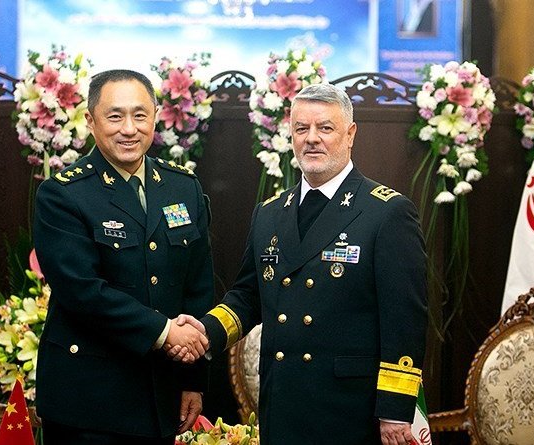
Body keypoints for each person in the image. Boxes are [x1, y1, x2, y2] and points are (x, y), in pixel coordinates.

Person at [170, 83, 428, 444]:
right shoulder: (270, 212)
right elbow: (247, 296)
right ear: (290, 134)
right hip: (283, 402)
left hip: (351, 410)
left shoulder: (385, 212)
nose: (312, 139)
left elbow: (405, 320)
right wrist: (203, 332)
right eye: (301, 129)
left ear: (350, 134)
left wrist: (394, 411)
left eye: (325, 128)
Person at [33, 69, 214, 444]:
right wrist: (165, 333)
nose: (129, 129)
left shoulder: (184, 187)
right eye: (115, 116)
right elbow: (83, 292)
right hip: (89, 403)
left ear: (155, 117)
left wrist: (193, 379)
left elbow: (198, 287)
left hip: (161, 396)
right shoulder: (63, 195)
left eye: (140, 115)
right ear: (90, 121)